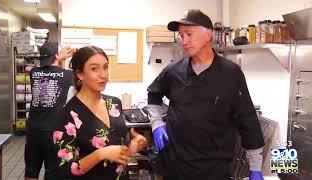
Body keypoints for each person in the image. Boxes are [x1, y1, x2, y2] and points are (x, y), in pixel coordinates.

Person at [147, 9, 265, 180]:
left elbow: (247, 120)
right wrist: (157, 124)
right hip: (175, 166)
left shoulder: (231, 74)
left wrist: (255, 167)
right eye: (181, 36)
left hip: (214, 169)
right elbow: (154, 94)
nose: (184, 41)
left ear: (208, 34)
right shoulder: (173, 71)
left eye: (189, 34)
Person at [52, 46, 147, 180]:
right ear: (80, 74)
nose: (103, 74)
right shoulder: (68, 115)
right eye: (94, 68)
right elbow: (66, 169)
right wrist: (100, 154)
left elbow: (116, 146)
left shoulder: (114, 104)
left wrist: (132, 147)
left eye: (106, 67)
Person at [25, 42, 74, 180]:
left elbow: (52, 73)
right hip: (53, 132)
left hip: (33, 129)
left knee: (31, 171)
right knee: (52, 172)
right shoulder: (67, 75)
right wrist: (63, 58)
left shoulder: (33, 73)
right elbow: (60, 74)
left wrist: (59, 58)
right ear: (56, 55)